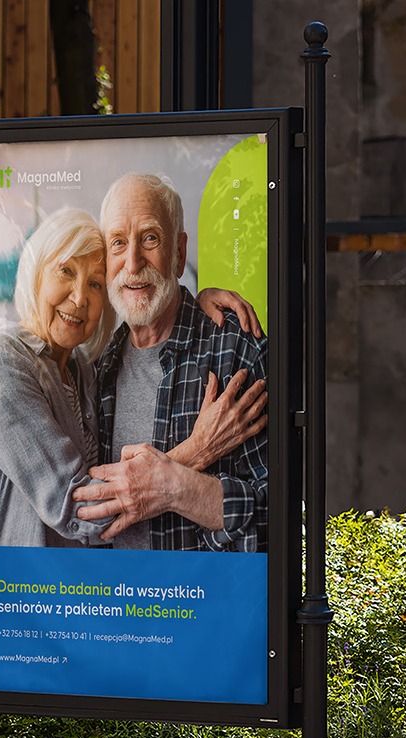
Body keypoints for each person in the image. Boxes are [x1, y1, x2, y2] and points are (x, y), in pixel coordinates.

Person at [0, 207, 265, 548]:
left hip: (80, 595)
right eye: (65, 271)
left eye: (95, 283)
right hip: (15, 593)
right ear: (35, 274)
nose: (80, 298)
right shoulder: (0, 360)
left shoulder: (84, 369)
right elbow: (78, 507)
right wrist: (197, 451)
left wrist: (194, 306)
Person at [73, 172, 269, 552]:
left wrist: (174, 487)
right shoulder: (95, 367)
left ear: (179, 253)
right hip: (109, 606)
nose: (132, 263)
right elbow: (80, 511)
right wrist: (195, 452)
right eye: (117, 243)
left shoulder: (235, 351)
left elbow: (277, 513)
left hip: (200, 605)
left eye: (150, 238)